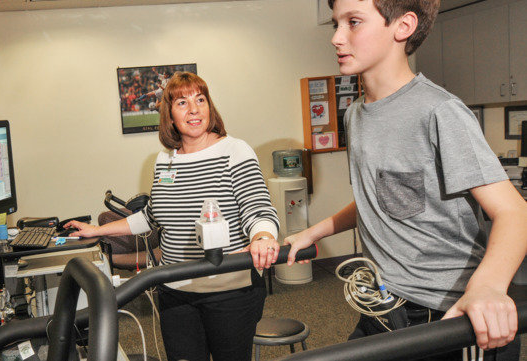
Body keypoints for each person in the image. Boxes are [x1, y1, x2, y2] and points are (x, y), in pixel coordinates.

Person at [285, 0, 527, 360]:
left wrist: (489, 287)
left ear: (403, 26)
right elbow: (381, 197)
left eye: (353, 22)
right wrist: (314, 232)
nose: (336, 37)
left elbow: (515, 212)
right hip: (385, 306)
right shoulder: (355, 115)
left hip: (443, 311)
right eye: (335, 24)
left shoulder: (439, 111)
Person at [65, 71, 280, 361]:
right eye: (182, 103)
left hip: (228, 291)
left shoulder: (234, 151)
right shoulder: (165, 160)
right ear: (169, 114)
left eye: (200, 99)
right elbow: (151, 217)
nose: (194, 109)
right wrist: (97, 230)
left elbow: (258, 209)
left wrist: (263, 237)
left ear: (210, 106)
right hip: (174, 290)